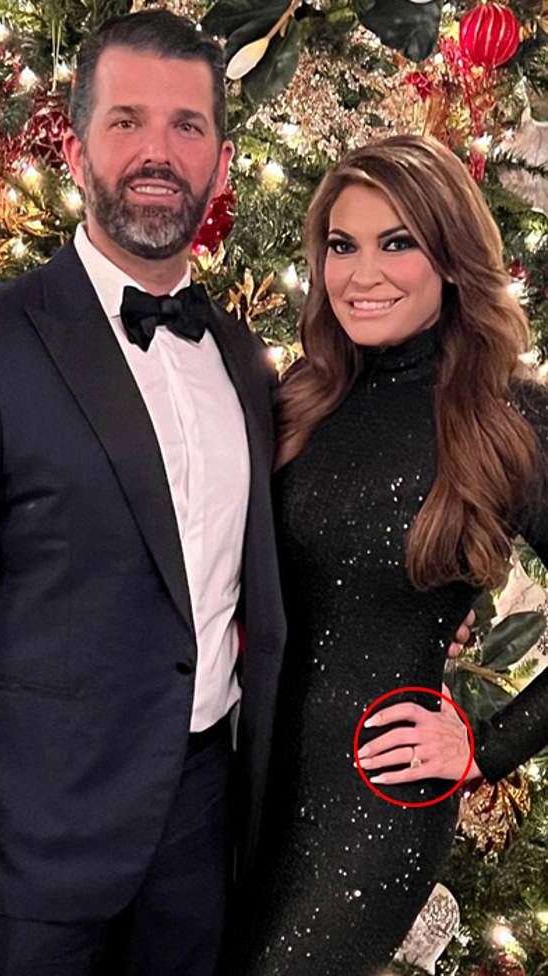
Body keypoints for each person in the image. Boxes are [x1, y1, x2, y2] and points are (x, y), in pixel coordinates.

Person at [0, 11, 287, 976]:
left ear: (221, 162)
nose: (157, 152)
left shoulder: (245, 360)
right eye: (127, 121)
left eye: (186, 125)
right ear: (76, 149)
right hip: (19, 851)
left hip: (200, 835)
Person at [231, 134, 548, 976]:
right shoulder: (301, 397)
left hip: (373, 812)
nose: (361, 274)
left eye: (397, 242)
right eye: (342, 245)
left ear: (451, 256)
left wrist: (486, 746)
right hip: (238, 785)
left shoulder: (508, 417)